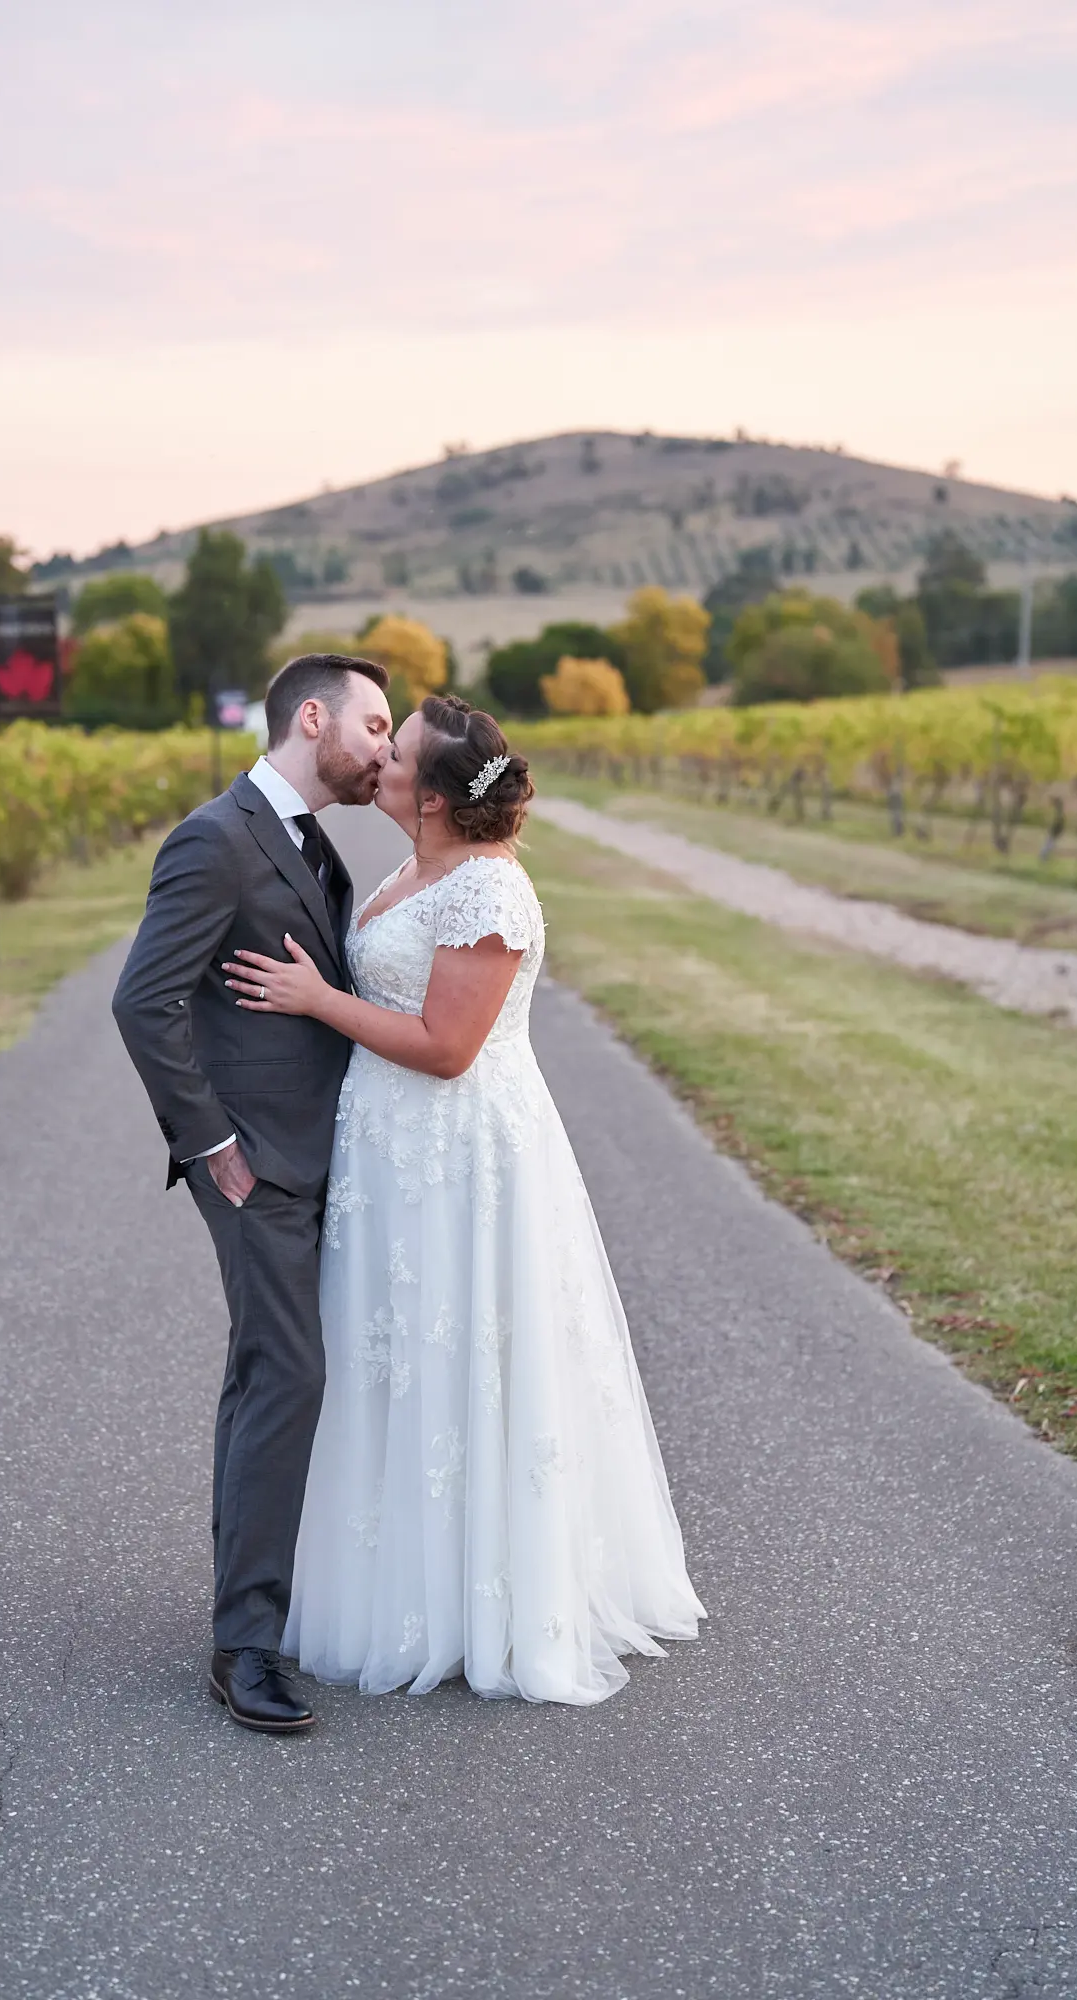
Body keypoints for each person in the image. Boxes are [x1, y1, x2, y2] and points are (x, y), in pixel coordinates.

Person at [222, 693, 705, 1706]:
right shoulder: (410, 868)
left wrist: (319, 1000)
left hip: (460, 1157)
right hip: (386, 1157)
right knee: (390, 1356)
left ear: (432, 799)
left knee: (466, 1356)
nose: (378, 756)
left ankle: (479, 1599)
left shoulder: (490, 893)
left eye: (395, 751)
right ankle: (396, 1574)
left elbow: (447, 1050)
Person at [112, 653, 393, 1733]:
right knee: (288, 1374)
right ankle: (246, 1647)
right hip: (257, 1162)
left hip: (322, 1154)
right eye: (372, 725)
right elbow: (144, 1002)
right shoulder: (215, 837)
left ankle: (257, 1608)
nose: (382, 746)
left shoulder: (312, 842)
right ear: (311, 716)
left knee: (266, 1375)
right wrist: (211, 1141)